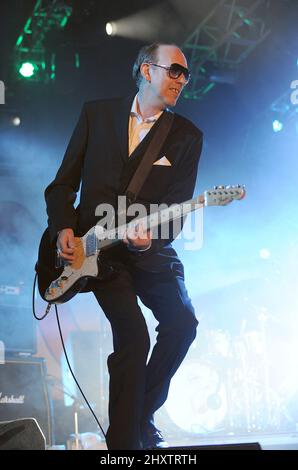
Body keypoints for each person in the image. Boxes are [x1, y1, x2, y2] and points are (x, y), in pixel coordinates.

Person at [45, 43, 203, 450]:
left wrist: (150, 239)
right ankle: (126, 446)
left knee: (183, 324)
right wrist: (64, 225)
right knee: (133, 339)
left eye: (185, 75)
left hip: (147, 252)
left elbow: (176, 212)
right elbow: (62, 185)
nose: (181, 81)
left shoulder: (186, 136)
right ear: (147, 70)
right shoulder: (96, 114)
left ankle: (138, 415)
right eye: (174, 71)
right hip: (97, 255)